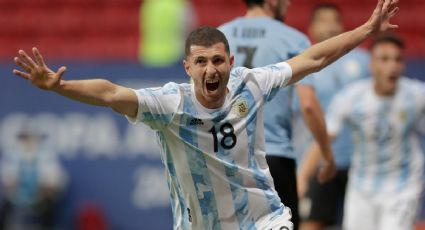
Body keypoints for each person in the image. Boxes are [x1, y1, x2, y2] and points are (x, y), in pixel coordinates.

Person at [11, 1, 398, 228]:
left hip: (264, 220)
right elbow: (111, 93)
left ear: (230, 62)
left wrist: (367, 29)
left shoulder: (252, 83)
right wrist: (60, 86)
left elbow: (313, 58)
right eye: (201, 62)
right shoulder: (170, 105)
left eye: (217, 60)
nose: (210, 69)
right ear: (187, 67)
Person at [219, 1, 334, 229]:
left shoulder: (220, 34)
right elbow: (309, 105)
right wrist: (327, 155)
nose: (289, 3)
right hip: (273, 156)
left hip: (226, 156)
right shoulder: (292, 38)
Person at [303, 33, 424, 230]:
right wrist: (302, 179)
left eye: (398, 59)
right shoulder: (352, 98)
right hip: (361, 188)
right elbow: (324, 138)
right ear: (372, 65)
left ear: (403, 65)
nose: (392, 66)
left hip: (403, 188)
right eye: (384, 59)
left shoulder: (416, 96)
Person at [294, 4, 370, 229]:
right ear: (311, 27)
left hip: (360, 164)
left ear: (342, 25)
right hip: (317, 163)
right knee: (311, 223)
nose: (329, 25)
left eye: (334, 20)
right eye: (323, 20)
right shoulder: (301, 64)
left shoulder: (365, 62)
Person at [0, 127, 67, 230]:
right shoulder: (11, 155)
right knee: (6, 206)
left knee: (50, 206)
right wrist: (12, 188)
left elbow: (54, 178)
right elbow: (8, 180)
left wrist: (45, 191)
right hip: (17, 197)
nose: (28, 142)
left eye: (30, 138)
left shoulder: (46, 155)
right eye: (24, 138)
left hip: (40, 196)